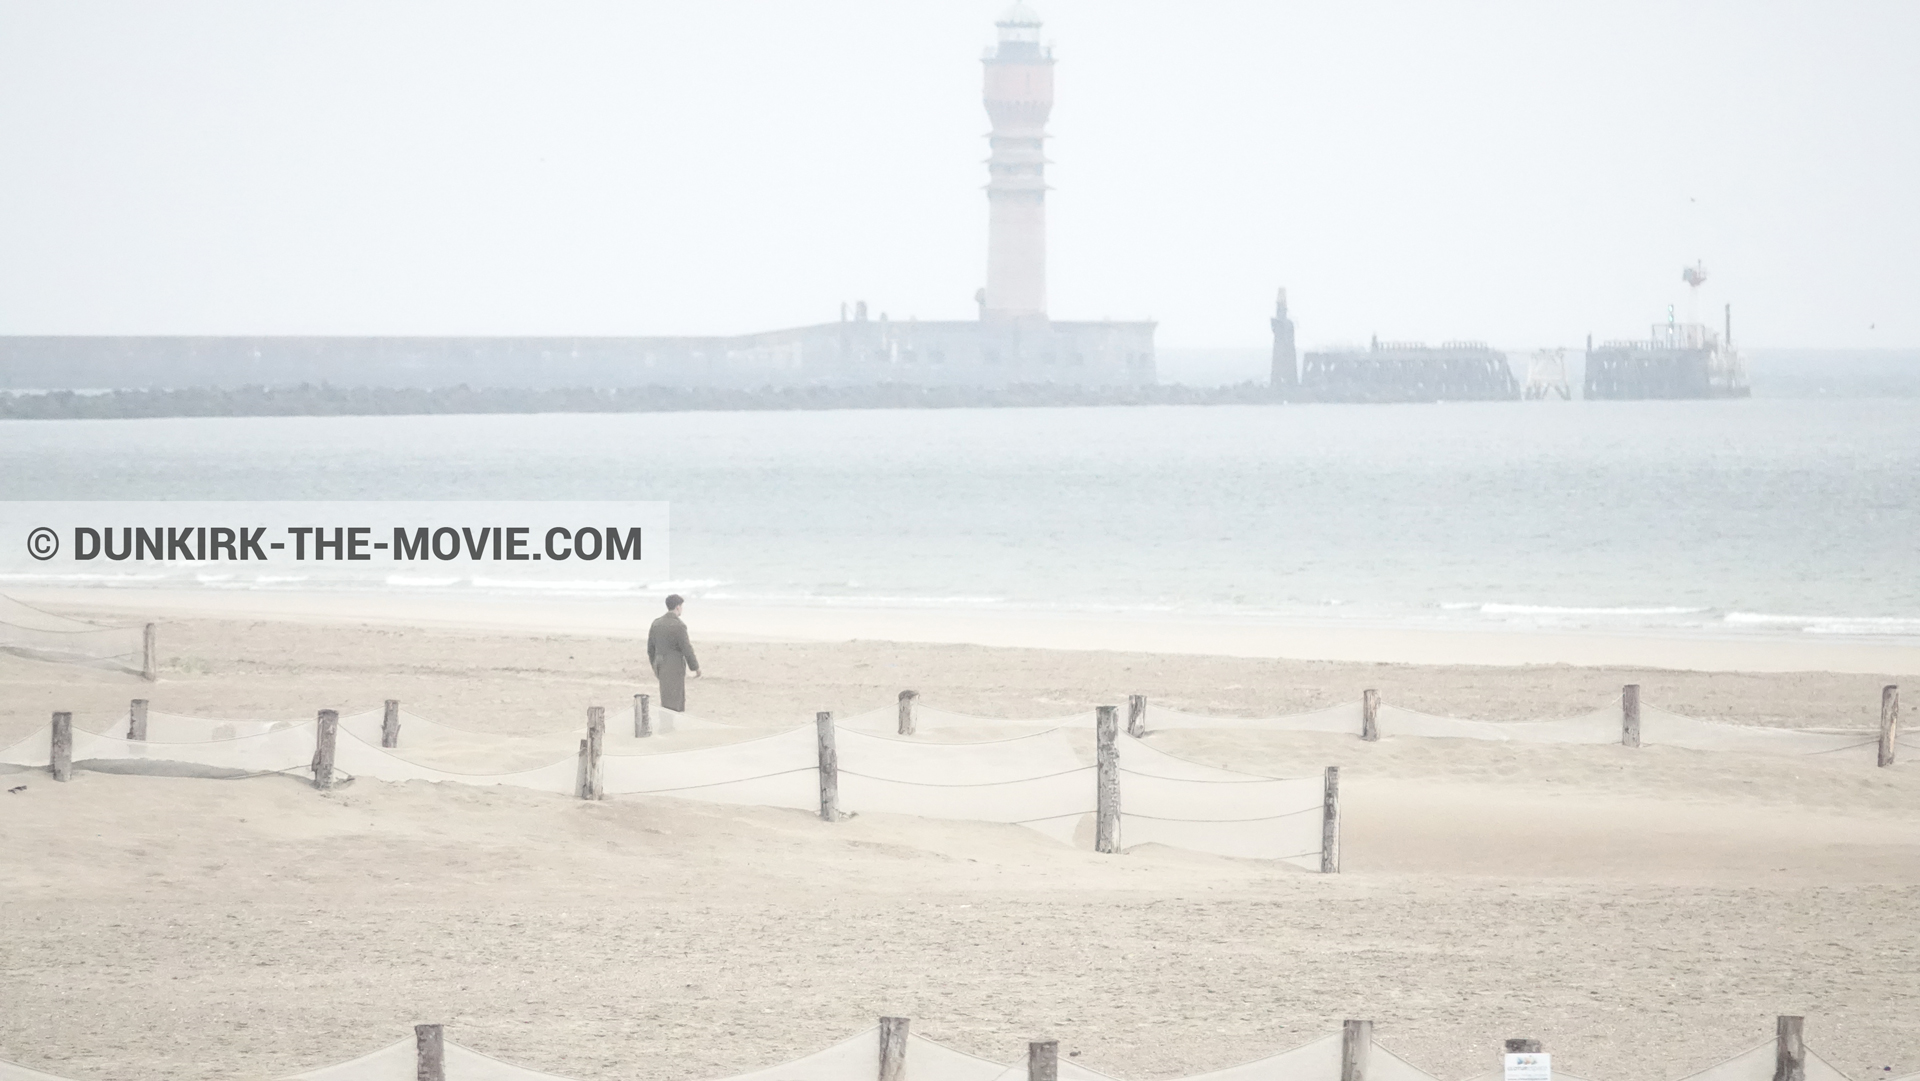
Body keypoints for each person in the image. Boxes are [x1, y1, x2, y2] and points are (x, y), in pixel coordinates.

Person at [647, 594, 701, 712]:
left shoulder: (656, 623)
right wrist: (695, 667)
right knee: (676, 698)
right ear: (677, 607)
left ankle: (668, 724)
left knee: (665, 696)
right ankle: (671, 727)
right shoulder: (679, 625)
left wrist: (655, 664)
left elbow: (650, 648)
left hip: (660, 663)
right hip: (674, 665)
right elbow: (687, 648)